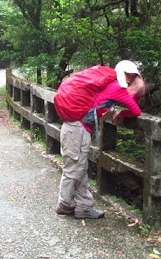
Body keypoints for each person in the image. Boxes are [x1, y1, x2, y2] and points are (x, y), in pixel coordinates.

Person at [56, 60, 146, 219]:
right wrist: (123, 113)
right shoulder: (117, 88)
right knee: (74, 168)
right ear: (122, 73)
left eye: (133, 76)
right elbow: (135, 110)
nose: (131, 79)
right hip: (77, 129)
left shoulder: (108, 84)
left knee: (79, 167)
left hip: (75, 128)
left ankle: (83, 206)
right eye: (129, 75)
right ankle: (65, 204)